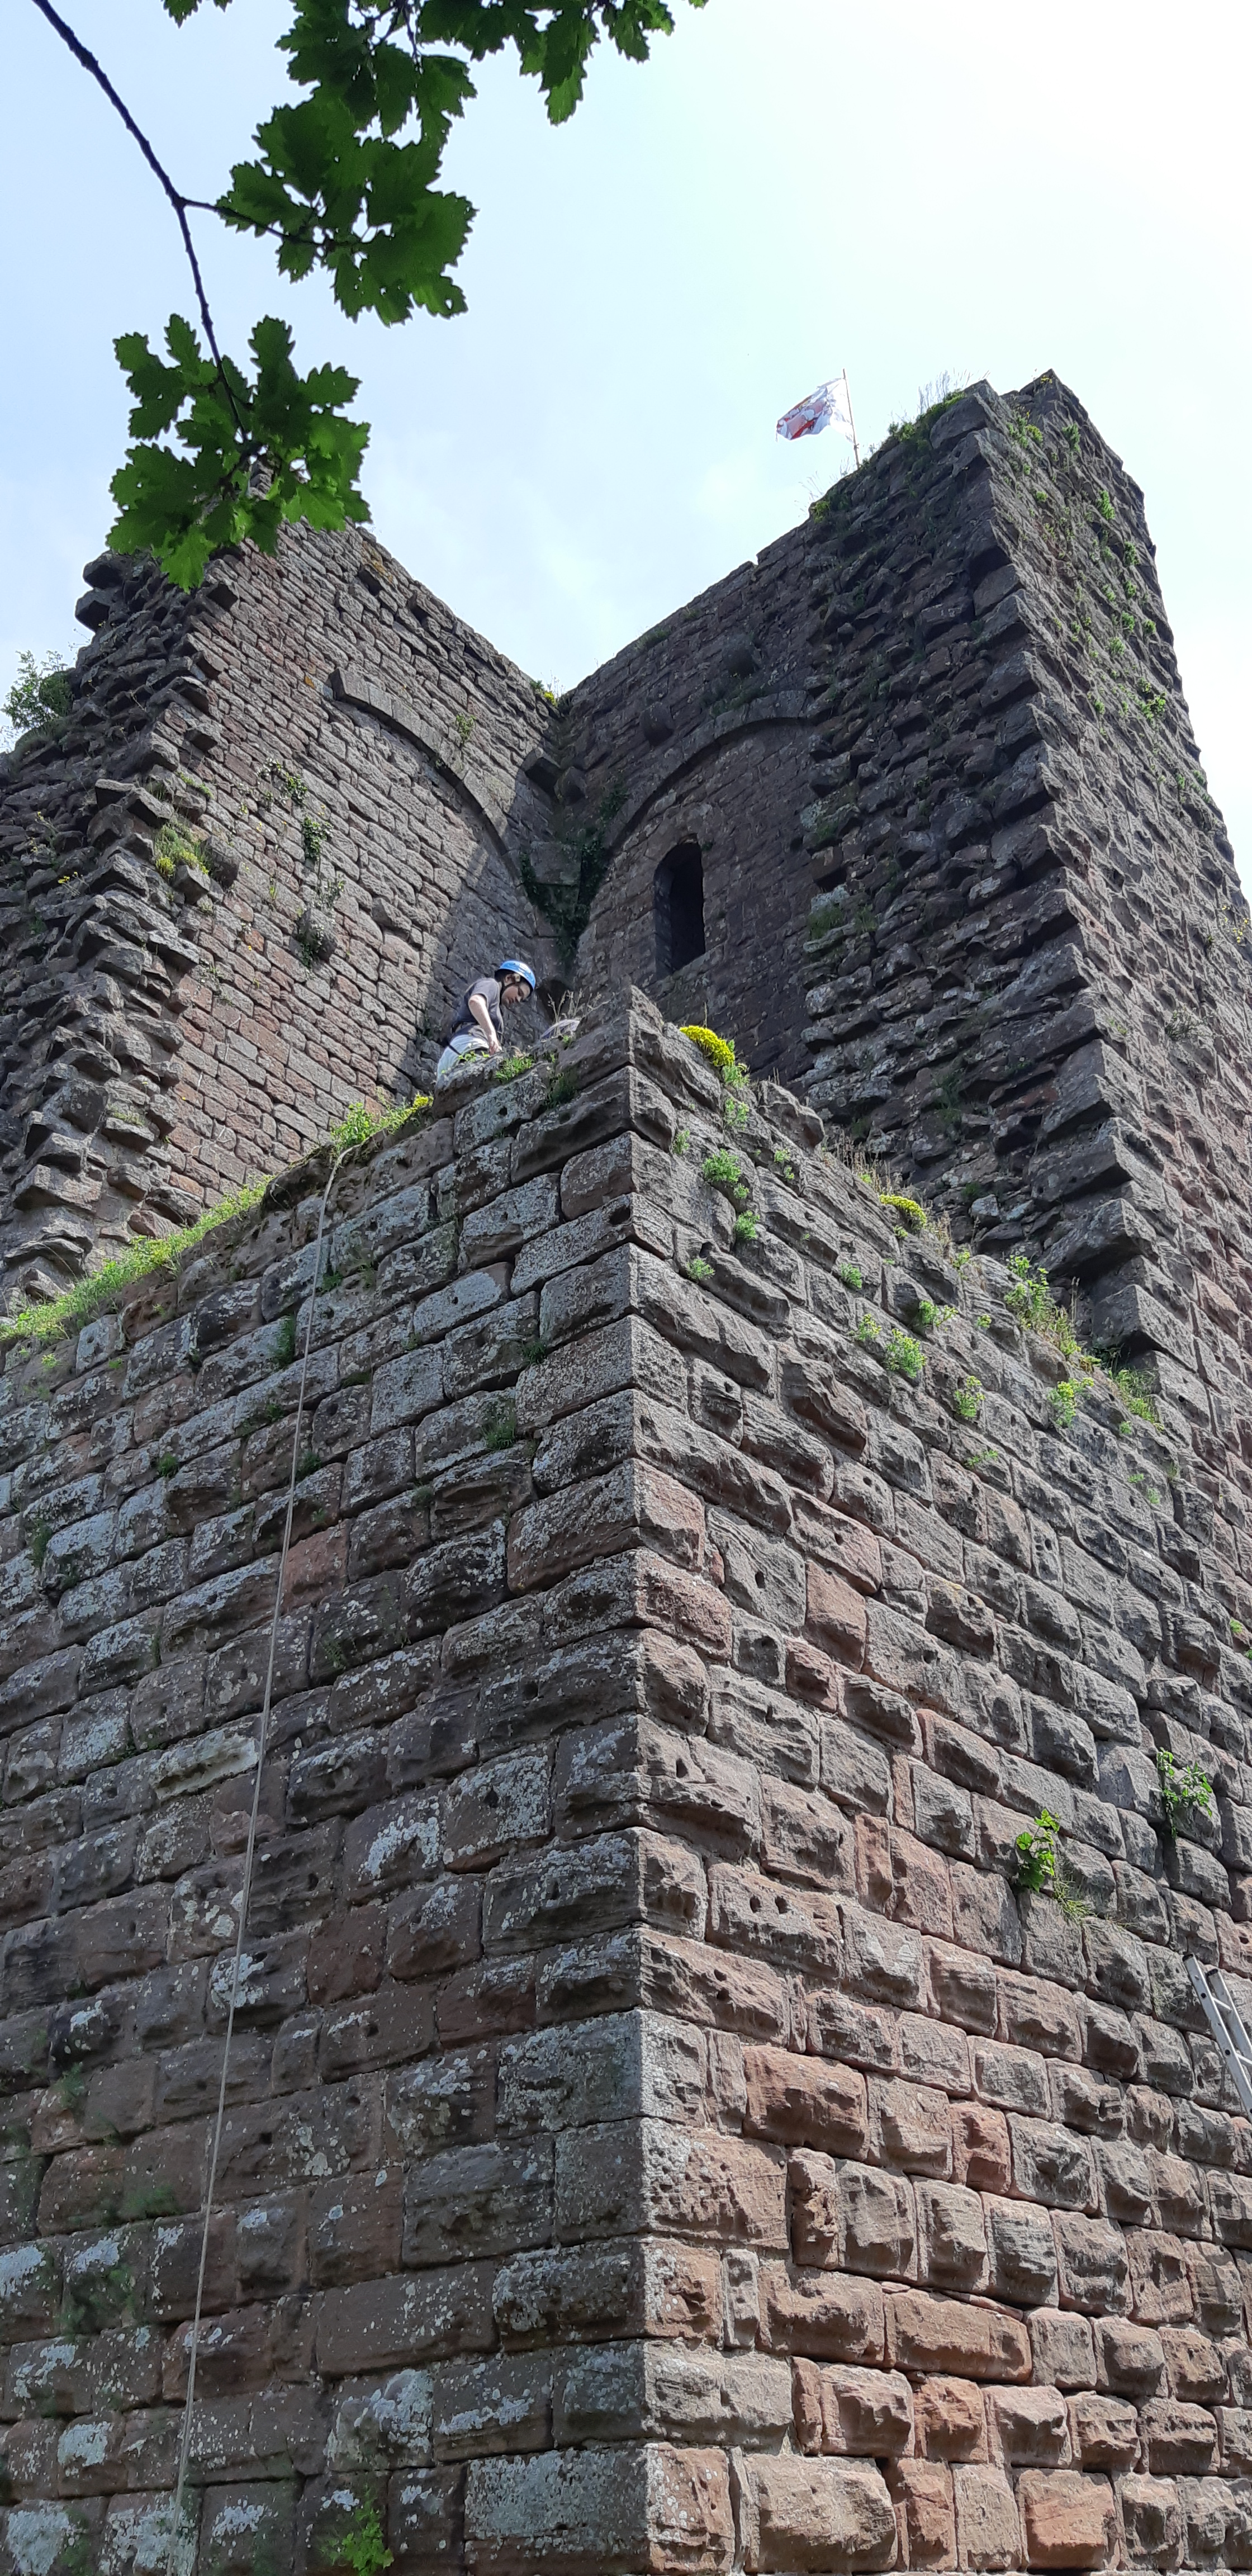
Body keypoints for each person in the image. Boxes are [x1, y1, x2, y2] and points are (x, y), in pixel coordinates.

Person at [435, 959, 537, 1084]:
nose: (518, 999)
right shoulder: (492, 985)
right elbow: (476, 1002)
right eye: (520, 993)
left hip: (454, 1053)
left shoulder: (496, 1005)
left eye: (522, 998)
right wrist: (491, 1035)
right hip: (472, 1046)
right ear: (509, 979)